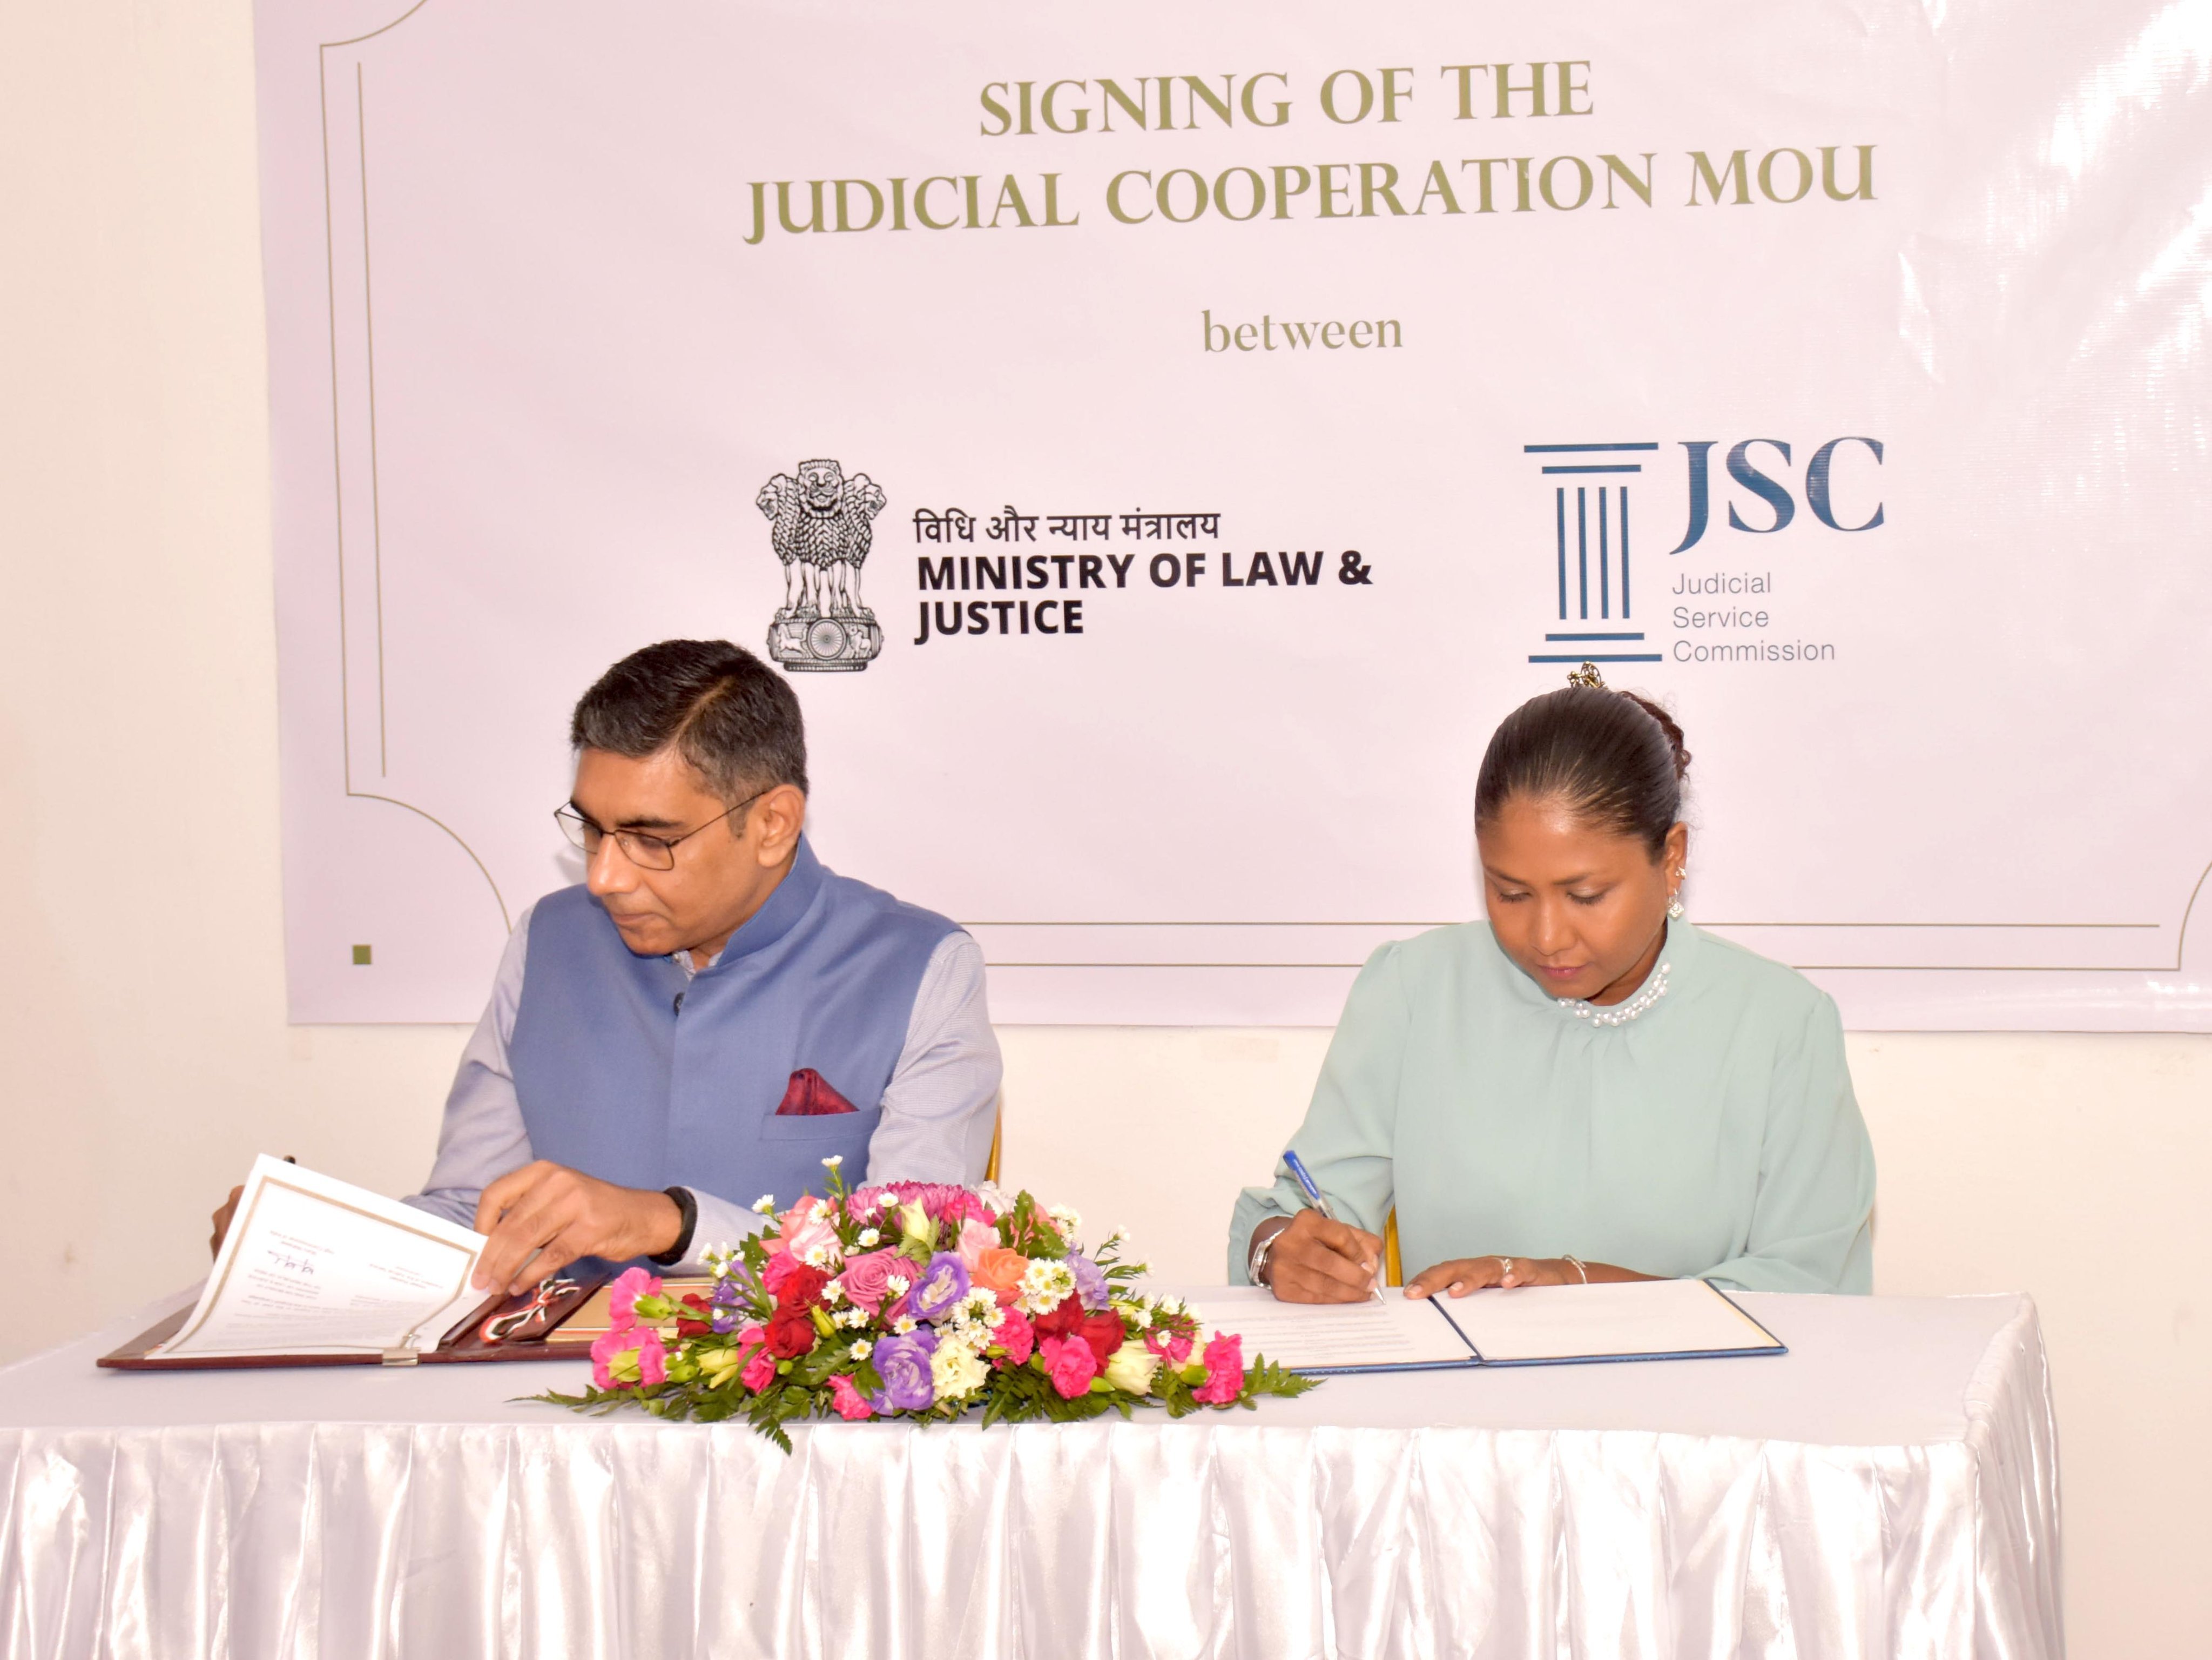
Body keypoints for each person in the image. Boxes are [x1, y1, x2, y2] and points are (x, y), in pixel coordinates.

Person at [213, 639, 1001, 1293]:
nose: (603, 878)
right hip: (547, 1409)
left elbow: (908, 1266)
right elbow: (474, 1217)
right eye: (592, 830)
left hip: (797, 1420)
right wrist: (309, 1241)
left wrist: (669, 1224)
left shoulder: (921, 970)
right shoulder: (550, 942)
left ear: (773, 824)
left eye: (651, 840)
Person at [1231, 664, 1875, 1303]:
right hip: (1456, 1376)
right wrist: (1283, 1250)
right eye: (1510, 893)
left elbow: (1811, 1286)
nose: (1545, 936)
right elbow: (1304, 1208)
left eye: (1585, 896)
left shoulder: (1780, 1025)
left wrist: (1569, 1281)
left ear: (1671, 857)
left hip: (1699, 1379)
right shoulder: (1415, 989)